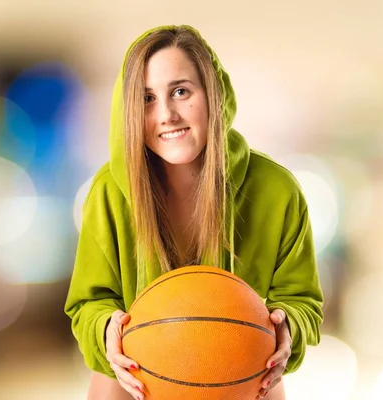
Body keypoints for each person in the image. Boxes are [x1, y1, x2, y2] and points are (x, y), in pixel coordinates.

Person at [64, 25, 324, 400]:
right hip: (138, 378)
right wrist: (106, 328)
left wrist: (287, 329)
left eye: (180, 91)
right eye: (147, 98)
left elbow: (303, 301)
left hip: (241, 371)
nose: (166, 114)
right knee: (106, 381)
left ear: (214, 95)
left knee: (270, 383)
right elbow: (88, 303)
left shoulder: (277, 190)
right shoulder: (107, 192)